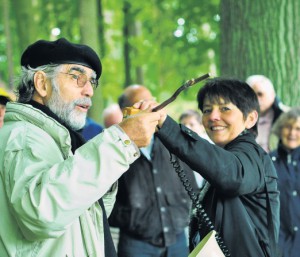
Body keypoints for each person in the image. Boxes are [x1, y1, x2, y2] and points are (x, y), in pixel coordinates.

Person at [0, 38, 163, 257]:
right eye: (77, 77)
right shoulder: (25, 136)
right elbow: (42, 212)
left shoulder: (58, 137)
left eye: (92, 81)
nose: (89, 91)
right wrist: (121, 140)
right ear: (42, 83)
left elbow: (87, 213)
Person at [135, 78, 280, 257]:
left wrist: (167, 125)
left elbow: (232, 176)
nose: (213, 116)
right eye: (207, 110)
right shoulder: (225, 154)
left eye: (225, 108)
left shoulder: (251, 155)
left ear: (250, 118)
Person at [109, 85, 198, 257]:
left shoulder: (172, 141)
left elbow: (192, 188)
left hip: (177, 240)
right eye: (141, 103)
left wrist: (181, 215)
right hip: (136, 244)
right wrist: (133, 218)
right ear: (125, 111)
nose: (150, 107)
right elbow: (104, 201)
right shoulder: (114, 148)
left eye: (151, 101)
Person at [269, 107, 300, 257]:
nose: (292, 133)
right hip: (278, 244)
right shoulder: (267, 161)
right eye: (288, 127)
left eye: (298, 128)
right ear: (280, 129)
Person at [246, 74, 289, 152]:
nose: (255, 99)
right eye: (251, 95)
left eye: (260, 94)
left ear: (272, 95)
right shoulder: (237, 117)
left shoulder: (287, 117)